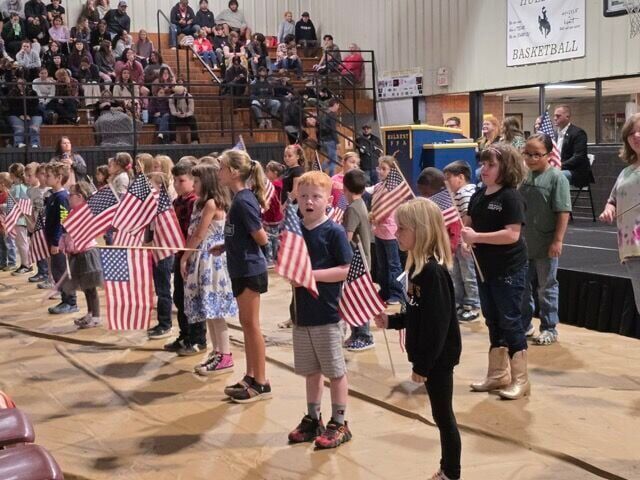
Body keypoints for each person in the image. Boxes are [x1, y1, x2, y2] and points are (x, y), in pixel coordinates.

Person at [374, 198, 462, 480]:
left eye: (402, 228)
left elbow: (437, 325)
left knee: (444, 417)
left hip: (438, 357)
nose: (396, 233)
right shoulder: (416, 270)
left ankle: (451, 472)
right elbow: (415, 313)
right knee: (440, 415)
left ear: (420, 231)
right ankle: (447, 468)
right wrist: (391, 321)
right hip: (429, 355)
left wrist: (423, 366)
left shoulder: (433, 273)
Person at [286, 170, 353, 448]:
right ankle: (314, 418)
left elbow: (346, 269)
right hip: (301, 314)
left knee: (334, 371)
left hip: (326, 312)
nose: (309, 201)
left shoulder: (334, 231)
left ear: (328, 199)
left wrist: (311, 275)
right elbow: (289, 264)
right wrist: (292, 273)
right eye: (303, 196)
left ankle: (340, 422)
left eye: (316, 196)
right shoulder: (296, 229)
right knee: (310, 371)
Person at [462, 143, 530, 400]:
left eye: (491, 165)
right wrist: (466, 237)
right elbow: (469, 219)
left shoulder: (511, 197)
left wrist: (477, 236)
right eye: (483, 164)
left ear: (506, 168)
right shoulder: (479, 194)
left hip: (508, 268)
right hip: (485, 269)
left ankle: (521, 379)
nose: (484, 169)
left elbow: (512, 235)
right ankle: (497, 374)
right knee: (492, 319)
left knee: (510, 320)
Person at [216, 149, 270, 403]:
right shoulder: (238, 199)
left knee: (252, 326)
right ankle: (250, 375)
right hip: (239, 266)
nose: (219, 172)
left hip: (250, 269)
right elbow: (240, 233)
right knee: (246, 325)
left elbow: (261, 237)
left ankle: (261, 381)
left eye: (222, 167)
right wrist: (226, 245)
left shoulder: (244, 201)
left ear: (234, 172)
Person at [181, 163, 238, 370]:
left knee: (216, 312)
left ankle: (225, 354)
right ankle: (217, 352)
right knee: (209, 312)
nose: (194, 185)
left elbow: (199, 234)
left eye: (196, 181)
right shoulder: (202, 203)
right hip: (203, 261)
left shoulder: (212, 204)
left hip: (211, 262)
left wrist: (184, 257)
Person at [519, 133, 571, 345]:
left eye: (536, 155)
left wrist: (557, 240)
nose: (531, 159)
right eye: (527, 154)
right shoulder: (523, 176)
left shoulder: (557, 178)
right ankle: (525, 324)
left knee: (546, 287)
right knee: (522, 287)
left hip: (546, 244)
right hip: (523, 243)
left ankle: (549, 327)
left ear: (548, 155)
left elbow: (563, 211)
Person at [164, 159, 208, 354]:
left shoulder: (195, 203)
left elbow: (196, 231)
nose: (176, 184)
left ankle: (198, 339)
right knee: (180, 297)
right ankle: (185, 335)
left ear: (192, 181)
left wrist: (187, 254)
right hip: (179, 253)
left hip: (191, 256)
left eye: (181, 180)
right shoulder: (176, 202)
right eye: (174, 180)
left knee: (193, 298)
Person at [600, 112, 640, 315]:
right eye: (632, 132)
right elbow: (612, 200)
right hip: (631, 249)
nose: (637, 136)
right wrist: (609, 210)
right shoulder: (626, 172)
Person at [61, 181, 105, 329]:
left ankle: (97, 317)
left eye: (71, 194)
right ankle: (90, 313)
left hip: (87, 253)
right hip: (77, 254)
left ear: (80, 196)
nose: (68, 197)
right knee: (86, 287)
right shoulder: (73, 212)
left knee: (91, 288)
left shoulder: (85, 212)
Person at [443, 160, 480, 323]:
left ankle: (472, 305)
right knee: (456, 273)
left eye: (449, 177)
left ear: (461, 177)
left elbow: (467, 218)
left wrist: (465, 241)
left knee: (468, 274)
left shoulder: (466, 193)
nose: (446, 182)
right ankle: (460, 302)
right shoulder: (458, 194)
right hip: (457, 240)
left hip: (464, 241)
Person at [342, 168, 375, 351]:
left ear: (345, 188)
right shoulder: (361, 203)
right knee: (352, 298)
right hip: (361, 259)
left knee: (358, 299)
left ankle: (364, 335)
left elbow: (347, 237)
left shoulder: (353, 209)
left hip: (358, 260)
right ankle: (356, 333)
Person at [44, 162, 78, 315]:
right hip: (52, 240)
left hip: (59, 242)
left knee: (63, 272)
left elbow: (62, 221)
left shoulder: (62, 198)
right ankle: (65, 300)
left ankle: (70, 302)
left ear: (58, 178)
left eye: (48, 176)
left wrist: (56, 241)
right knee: (57, 272)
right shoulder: (52, 196)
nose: (45, 178)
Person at [371, 156, 405, 305]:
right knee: (381, 264)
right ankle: (384, 290)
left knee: (394, 264)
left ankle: (396, 293)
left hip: (390, 232)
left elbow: (387, 209)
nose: (380, 171)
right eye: (379, 168)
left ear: (393, 171)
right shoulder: (379, 186)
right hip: (379, 231)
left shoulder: (395, 188)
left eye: (384, 169)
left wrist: (375, 216)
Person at [416, 167, 461, 257]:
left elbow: (454, 238)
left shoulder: (448, 208)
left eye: (425, 193)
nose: (423, 197)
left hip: (446, 254)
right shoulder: (427, 206)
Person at [553, 105, 592, 187]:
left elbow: (578, 157)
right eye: (554, 116)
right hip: (558, 169)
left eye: (558, 116)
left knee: (553, 177)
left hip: (576, 172)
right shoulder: (554, 134)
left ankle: (559, 200)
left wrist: (559, 166)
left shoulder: (578, 133)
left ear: (567, 116)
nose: (555, 118)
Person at [24, 162, 49, 284]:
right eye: (40, 174)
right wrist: (31, 223)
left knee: (47, 250)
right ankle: (41, 272)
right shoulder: (32, 191)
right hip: (36, 225)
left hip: (47, 225)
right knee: (38, 248)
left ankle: (47, 274)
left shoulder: (49, 191)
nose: (42, 177)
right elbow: (32, 208)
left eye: (45, 174)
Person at [7, 163, 30, 275]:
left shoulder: (18, 187)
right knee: (20, 243)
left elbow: (19, 204)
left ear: (12, 174)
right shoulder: (17, 186)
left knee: (22, 243)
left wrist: (3, 207)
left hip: (20, 219)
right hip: (18, 219)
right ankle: (24, 263)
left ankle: (27, 265)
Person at [7, 77, 41, 148]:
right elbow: (11, 107)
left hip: (33, 114)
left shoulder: (32, 92)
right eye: (19, 83)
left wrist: (29, 115)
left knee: (34, 128)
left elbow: (35, 106)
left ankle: (35, 144)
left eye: (23, 83)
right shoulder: (12, 93)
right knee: (20, 128)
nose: (21, 85)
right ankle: (19, 143)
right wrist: (20, 115)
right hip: (16, 114)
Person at [261, 161, 283, 267]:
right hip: (277, 215)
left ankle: (270, 258)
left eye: (267, 171)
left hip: (271, 215)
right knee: (276, 237)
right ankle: (275, 257)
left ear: (274, 173)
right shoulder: (279, 184)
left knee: (270, 238)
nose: (265, 173)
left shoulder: (273, 185)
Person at [319, 98, 340, 176]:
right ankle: (328, 175)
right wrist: (337, 142)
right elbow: (333, 129)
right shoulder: (331, 114)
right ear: (335, 104)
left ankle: (321, 169)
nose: (338, 108)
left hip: (323, 140)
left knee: (331, 159)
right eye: (338, 106)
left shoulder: (323, 113)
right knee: (333, 160)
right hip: (330, 140)